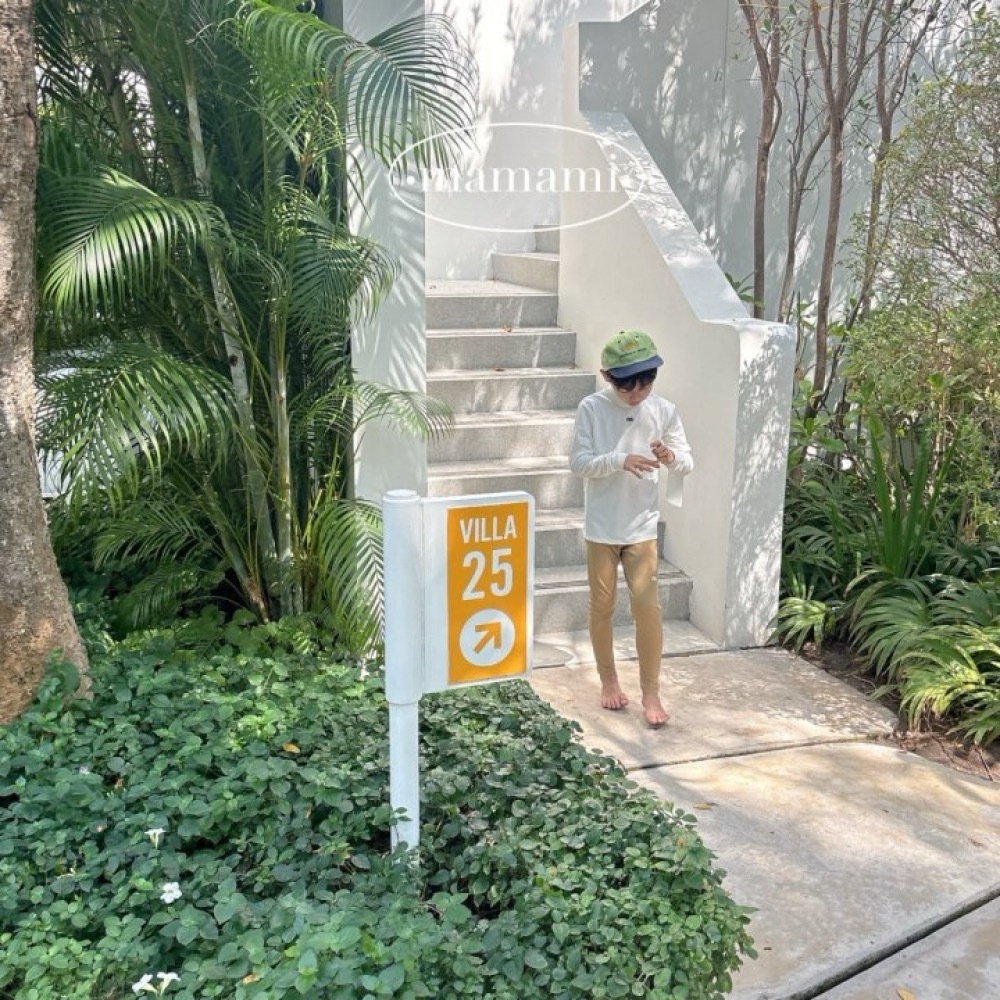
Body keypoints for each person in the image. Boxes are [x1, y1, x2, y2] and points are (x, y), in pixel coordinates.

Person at [569, 330, 694, 727]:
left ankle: (651, 692)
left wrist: (669, 456)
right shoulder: (591, 408)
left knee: (647, 608)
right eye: (627, 385)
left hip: (641, 526)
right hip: (602, 527)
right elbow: (579, 463)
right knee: (602, 606)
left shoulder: (663, 410)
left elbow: (686, 462)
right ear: (608, 377)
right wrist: (619, 459)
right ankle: (608, 681)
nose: (637, 392)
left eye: (646, 381)